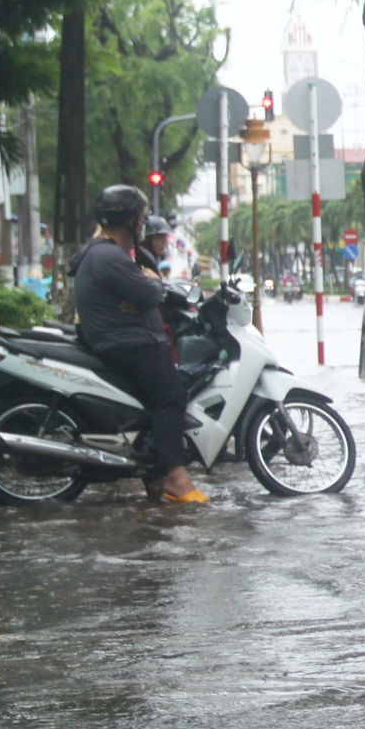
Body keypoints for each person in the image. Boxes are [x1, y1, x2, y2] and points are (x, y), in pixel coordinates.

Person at [71, 185, 206, 504]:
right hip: (127, 343)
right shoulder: (110, 257)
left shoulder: (102, 252)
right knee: (172, 395)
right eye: (141, 217)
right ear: (128, 220)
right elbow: (149, 293)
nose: (145, 223)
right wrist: (150, 290)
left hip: (118, 340)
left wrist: (147, 289)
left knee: (154, 402)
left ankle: (155, 476)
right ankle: (175, 474)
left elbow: (145, 289)